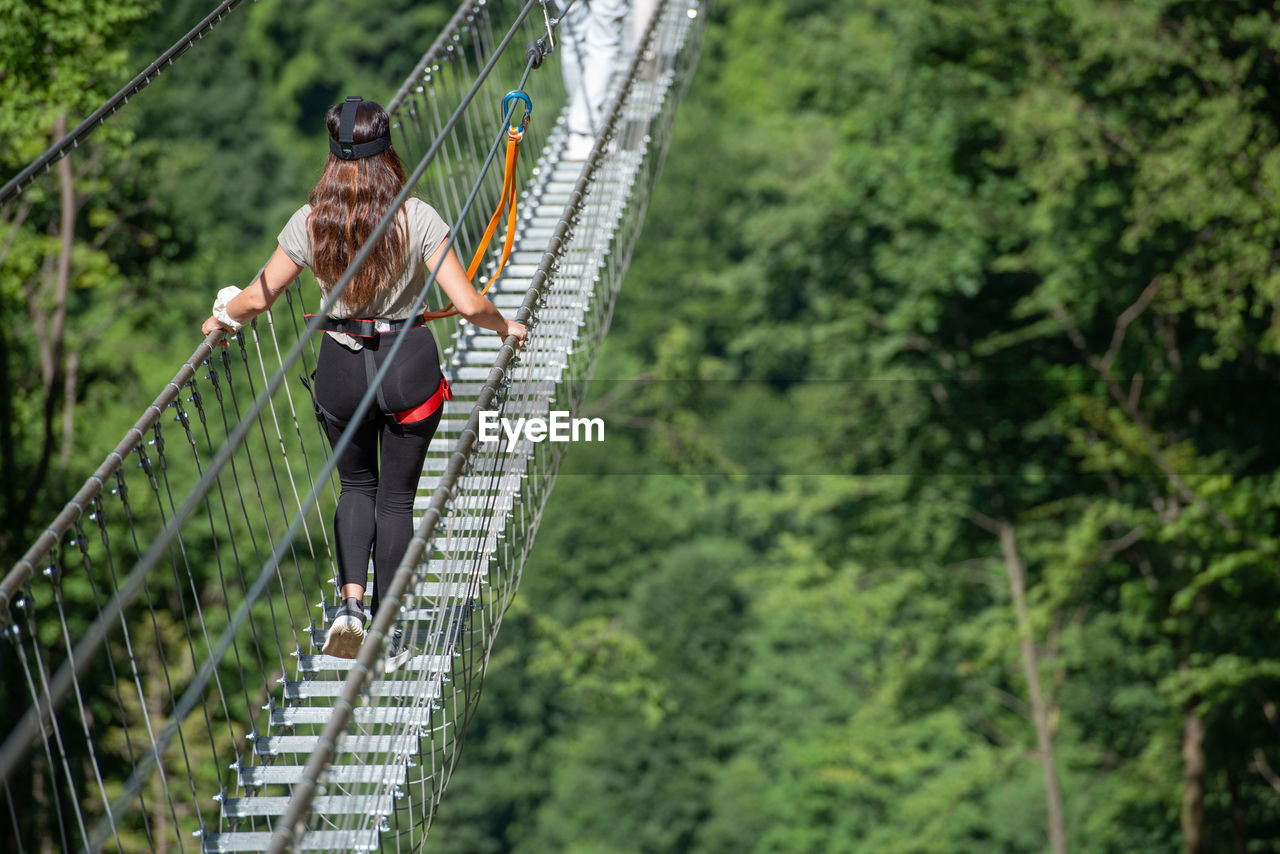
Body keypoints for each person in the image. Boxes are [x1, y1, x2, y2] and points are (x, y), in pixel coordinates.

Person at [201, 97, 528, 672]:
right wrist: (506, 327)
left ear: (332, 156)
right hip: (409, 370)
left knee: (357, 489)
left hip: (341, 371)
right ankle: (387, 626)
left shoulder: (311, 222)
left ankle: (349, 608)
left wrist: (224, 319)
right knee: (398, 500)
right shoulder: (417, 217)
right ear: (388, 152)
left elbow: (258, 295)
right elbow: (469, 303)